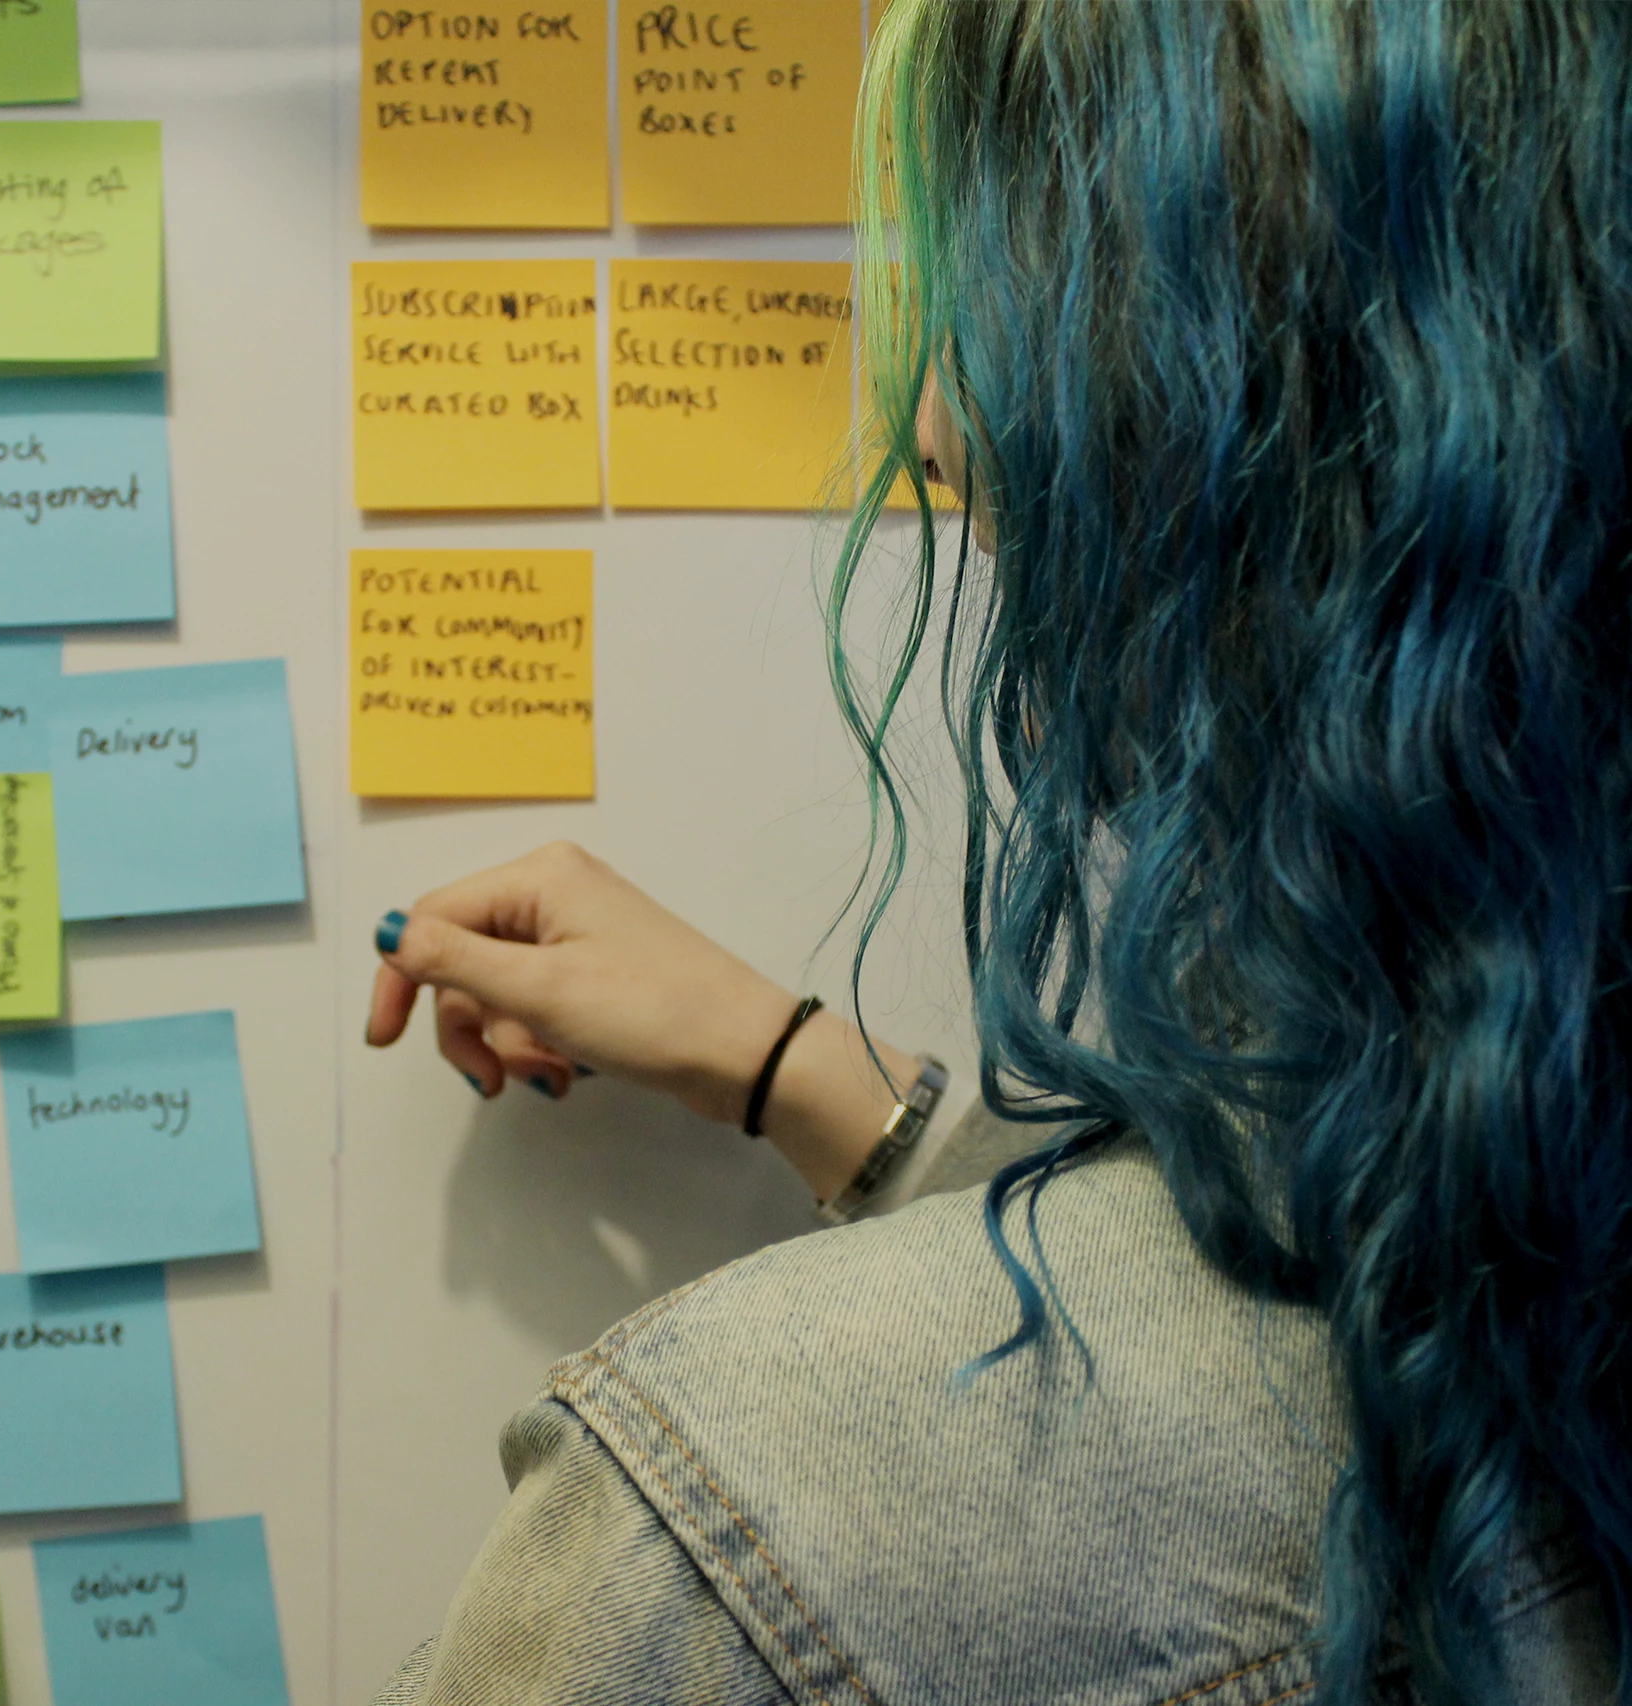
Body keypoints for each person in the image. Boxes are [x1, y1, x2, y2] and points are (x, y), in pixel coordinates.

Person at [361, 2, 1628, 1701]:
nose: (936, 431)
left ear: (1165, 432)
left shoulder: (709, 1535)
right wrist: (801, 1069)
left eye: (985, 303)